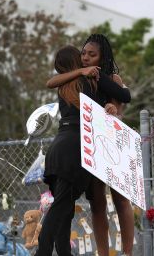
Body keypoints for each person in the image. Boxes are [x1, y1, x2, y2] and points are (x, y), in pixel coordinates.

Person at [36, 44, 130, 256]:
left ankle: (63, 253)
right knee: (61, 206)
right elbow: (100, 110)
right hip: (75, 148)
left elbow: (51, 83)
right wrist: (110, 108)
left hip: (58, 148)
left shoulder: (64, 86)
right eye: (81, 57)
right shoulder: (84, 82)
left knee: (65, 209)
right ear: (74, 62)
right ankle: (42, 250)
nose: (85, 59)